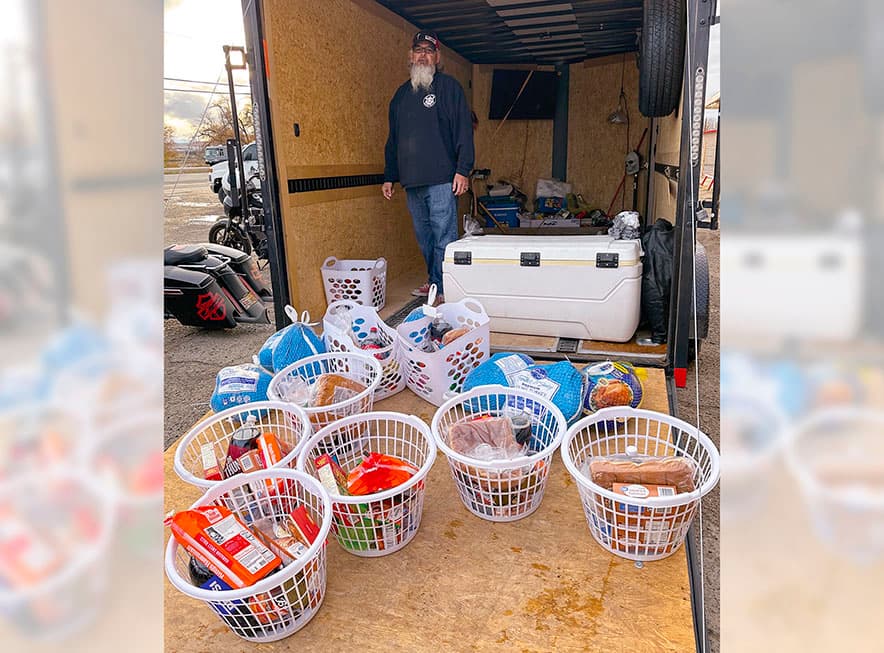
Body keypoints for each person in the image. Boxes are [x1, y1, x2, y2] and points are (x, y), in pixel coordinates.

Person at [382, 31, 475, 303]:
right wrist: (390, 176)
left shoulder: (449, 88)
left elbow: (463, 132)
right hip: (412, 182)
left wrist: (463, 169)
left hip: (442, 180)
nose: (423, 55)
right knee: (425, 239)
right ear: (411, 56)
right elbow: (393, 139)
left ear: (437, 57)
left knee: (443, 237)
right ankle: (435, 280)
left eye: (429, 50)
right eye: (418, 50)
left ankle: (444, 288)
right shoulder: (400, 96)